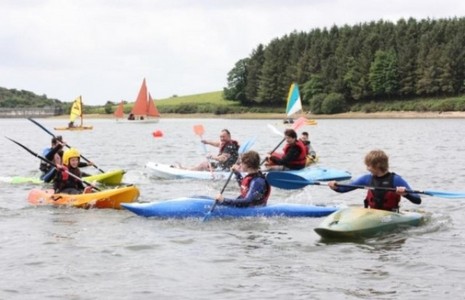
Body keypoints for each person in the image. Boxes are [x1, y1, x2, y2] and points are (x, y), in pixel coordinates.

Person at [328, 149, 421, 212]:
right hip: (372, 213)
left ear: (378, 165)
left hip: (391, 215)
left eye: (369, 165)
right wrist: (335, 186)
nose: (367, 168)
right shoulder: (366, 178)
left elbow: (417, 200)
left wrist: (406, 194)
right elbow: (344, 189)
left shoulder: (395, 180)